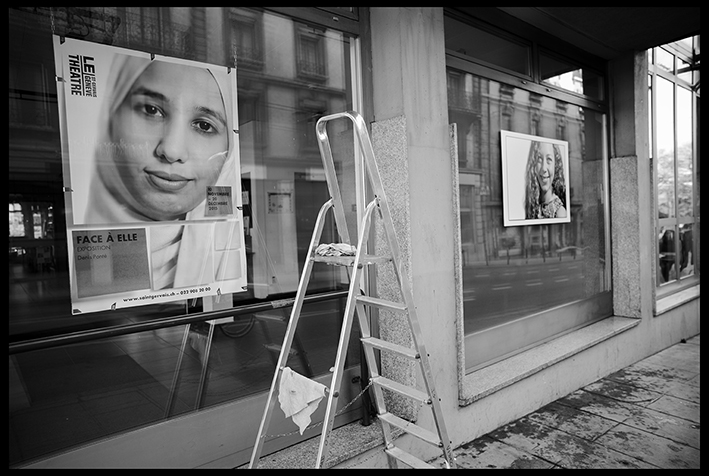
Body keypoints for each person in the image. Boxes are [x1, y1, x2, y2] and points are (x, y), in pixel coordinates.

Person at [85, 54, 241, 290]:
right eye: (151, 110)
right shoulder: (84, 241)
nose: (171, 150)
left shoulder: (227, 251)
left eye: (204, 125)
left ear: (228, 151)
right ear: (111, 115)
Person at [524, 140, 567, 219]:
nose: (544, 168)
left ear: (556, 166)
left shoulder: (560, 212)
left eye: (549, 159)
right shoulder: (532, 204)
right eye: (539, 159)